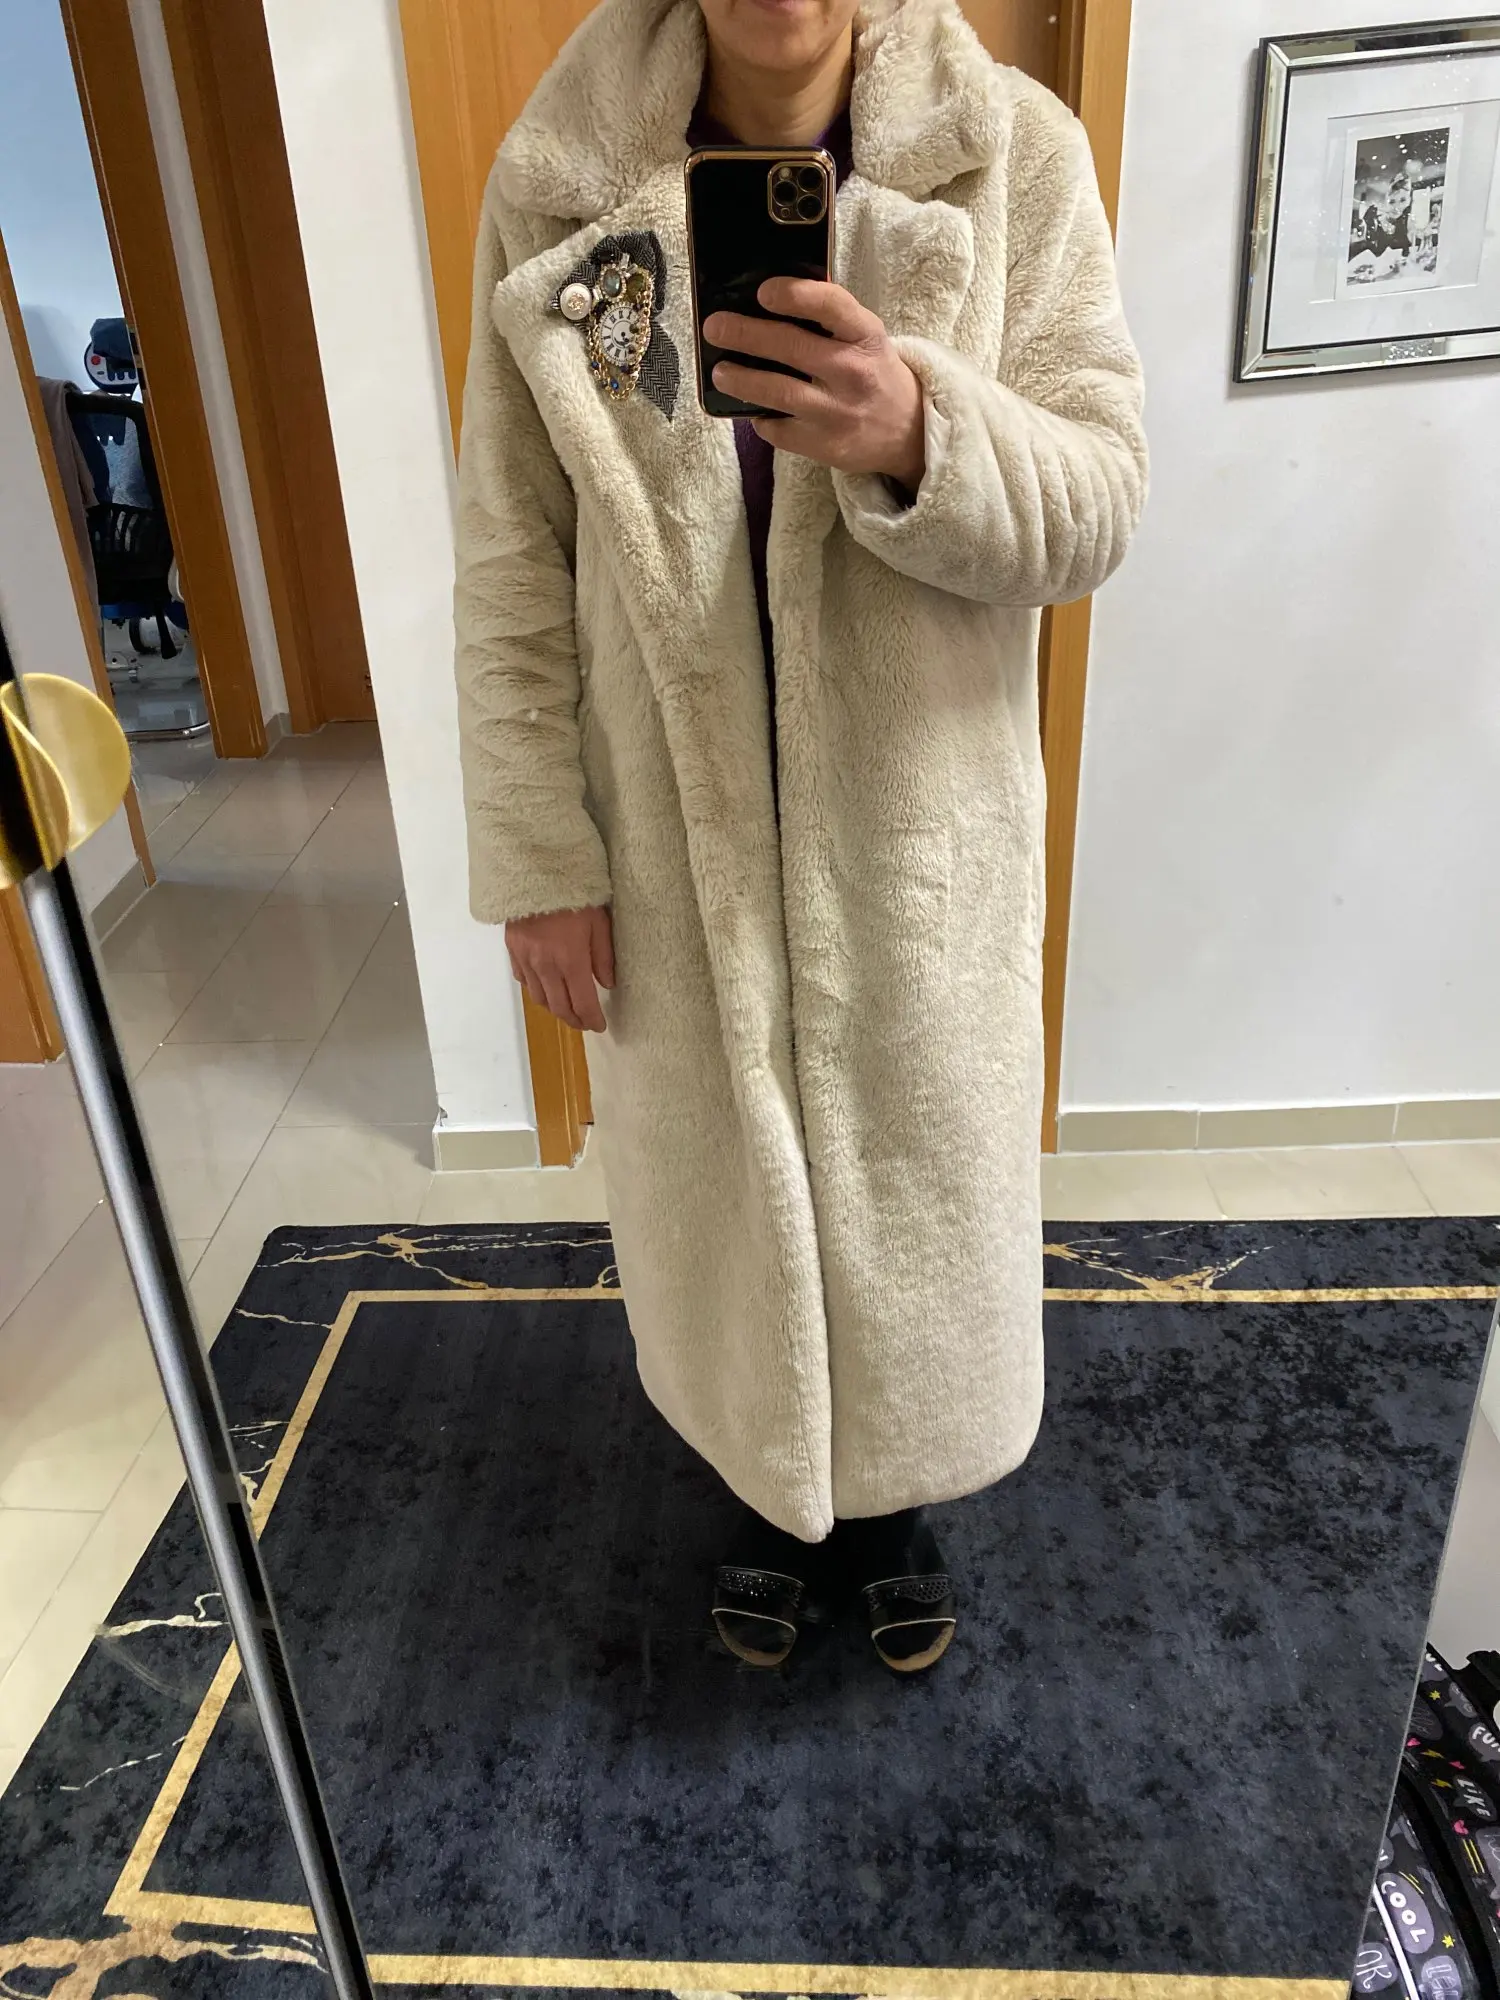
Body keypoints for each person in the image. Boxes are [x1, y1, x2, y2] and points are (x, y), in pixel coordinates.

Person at [453, 0, 1146, 1674]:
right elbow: (509, 550)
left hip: (916, 830)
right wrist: (539, 852)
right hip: (671, 827)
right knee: (723, 1190)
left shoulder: (1015, 157)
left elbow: (1104, 499)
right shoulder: (556, 185)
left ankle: (895, 1503)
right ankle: (768, 1493)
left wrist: (917, 431)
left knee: (912, 1193)